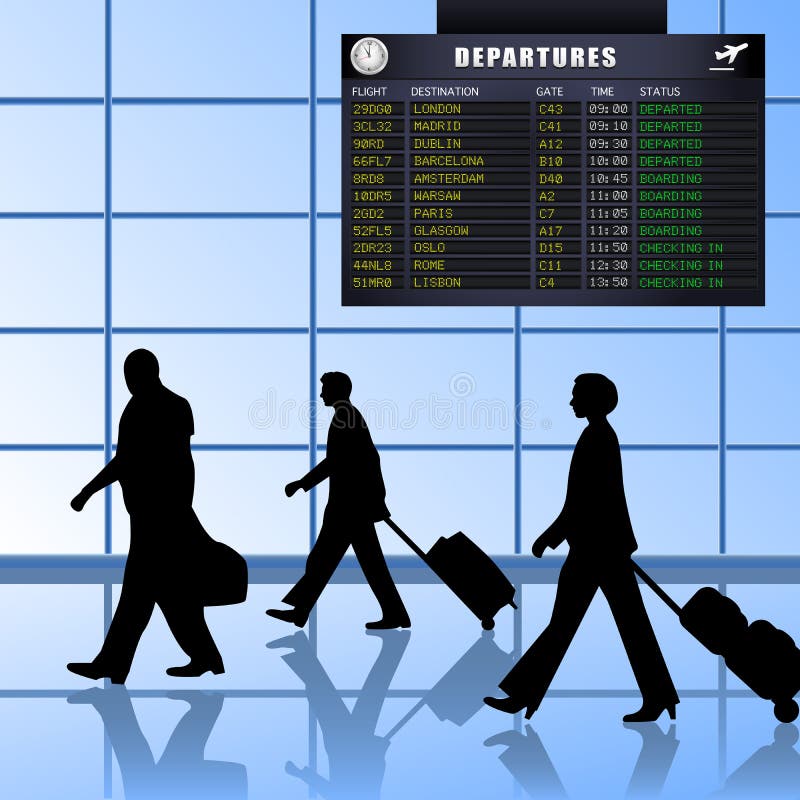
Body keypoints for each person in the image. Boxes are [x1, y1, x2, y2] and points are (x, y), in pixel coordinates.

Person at [484, 373, 679, 722]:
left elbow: (586, 500)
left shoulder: (598, 437)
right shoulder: (598, 435)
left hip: (596, 549)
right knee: (624, 623)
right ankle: (659, 696)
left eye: (576, 396)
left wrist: (550, 535)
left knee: (569, 624)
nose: (571, 402)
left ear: (593, 400)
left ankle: (523, 695)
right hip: (603, 547)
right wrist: (557, 534)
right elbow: (585, 500)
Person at [68, 349, 225, 683]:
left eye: (130, 375)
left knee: (140, 593)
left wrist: (88, 491)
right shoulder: (173, 404)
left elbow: (133, 461)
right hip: (157, 513)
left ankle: (112, 664)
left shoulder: (149, 407)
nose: (127, 382)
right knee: (170, 592)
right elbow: (180, 462)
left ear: (141, 374)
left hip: (158, 517)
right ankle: (205, 656)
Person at [267, 371, 410, 630]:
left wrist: (303, 483)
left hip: (349, 506)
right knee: (350, 560)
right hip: (353, 505)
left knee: (326, 558)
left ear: (337, 390)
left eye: (325, 389)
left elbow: (338, 461)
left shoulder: (345, 417)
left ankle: (301, 611)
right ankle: (393, 612)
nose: (321, 394)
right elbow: (365, 458)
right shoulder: (347, 415)